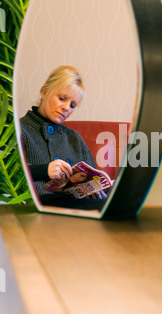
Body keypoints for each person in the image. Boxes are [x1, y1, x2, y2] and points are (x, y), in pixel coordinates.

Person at [20, 65, 109, 210]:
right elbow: (6, 177)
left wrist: (94, 190)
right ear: (44, 92)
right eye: (62, 99)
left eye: (72, 105)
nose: (66, 108)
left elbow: (93, 178)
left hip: (74, 204)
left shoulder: (74, 137)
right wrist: (44, 170)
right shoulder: (19, 129)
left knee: (112, 205)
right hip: (37, 205)